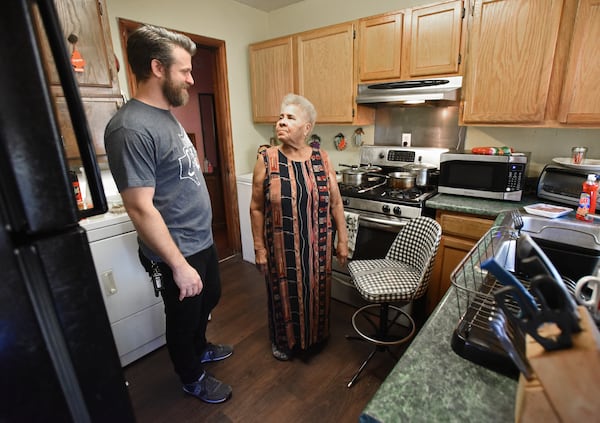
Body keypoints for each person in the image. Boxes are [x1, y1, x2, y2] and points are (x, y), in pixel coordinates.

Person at [104, 25, 232, 404]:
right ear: (157, 68)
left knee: (210, 298)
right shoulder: (129, 128)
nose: (192, 79)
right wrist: (177, 265)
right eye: (185, 71)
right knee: (182, 316)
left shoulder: (165, 114)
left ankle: (200, 347)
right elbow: (139, 207)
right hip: (175, 249)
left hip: (200, 239)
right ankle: (191, 376)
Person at [250, 93, 349, 361]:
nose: (281, 122)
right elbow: (256, 208)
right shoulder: (266, 159)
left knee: (317, 291)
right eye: (280, 117)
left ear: (307, 128)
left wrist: (342, 240)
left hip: (318, 248)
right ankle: (285, 343)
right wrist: (259, 248)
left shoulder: (322, 158)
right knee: (284, 295)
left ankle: (317, 337)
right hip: (282, 250)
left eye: (290, 118)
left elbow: (336, 203)